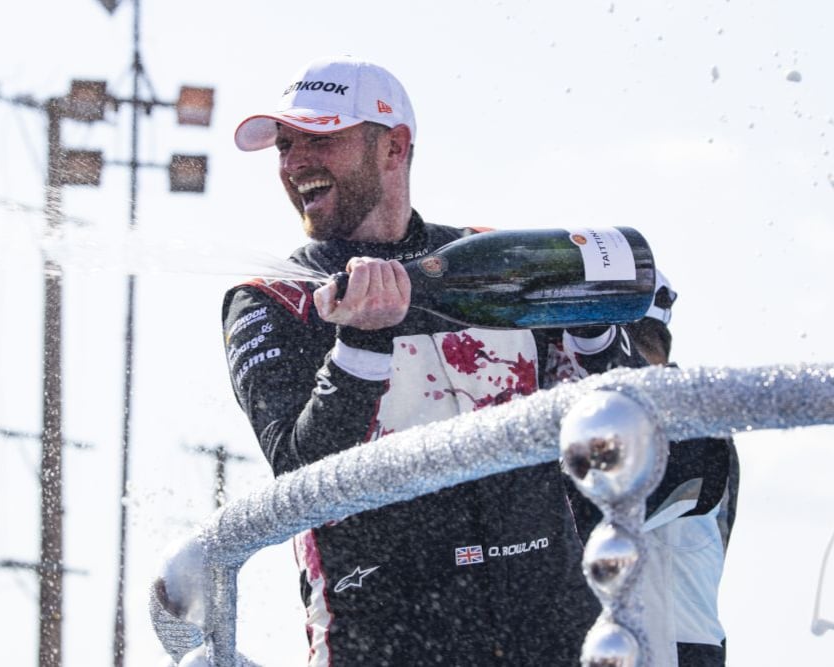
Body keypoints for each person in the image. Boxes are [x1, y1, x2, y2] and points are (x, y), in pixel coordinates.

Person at [222, 55, 735, 666]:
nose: (294, 162)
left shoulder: (493, 256)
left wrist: (593, 329)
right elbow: (298, 474)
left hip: (552, 633)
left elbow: (619, 425)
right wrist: (361, 344)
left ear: (394, 147)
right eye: (285, 145)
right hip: (384, 639)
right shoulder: (272, 300)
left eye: (320, 138)